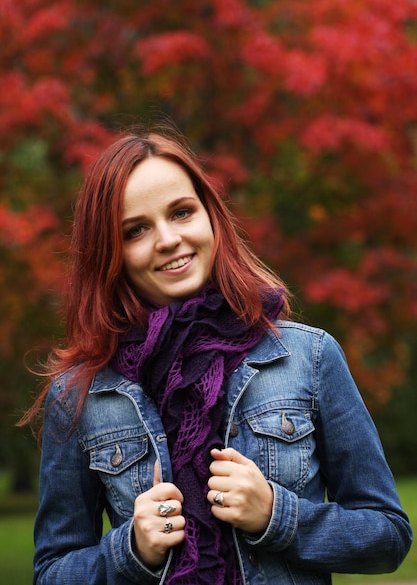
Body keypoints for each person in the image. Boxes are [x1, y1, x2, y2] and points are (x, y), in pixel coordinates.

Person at [24, 126, 412, 585]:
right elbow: (52, 571)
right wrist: (129, 551)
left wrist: (276, 515)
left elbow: (388, 536)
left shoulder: (308, 356)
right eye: (136, 230)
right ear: (110, 252)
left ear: (211, 218)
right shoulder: (79, 395)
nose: (168, 239)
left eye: (182, 212)